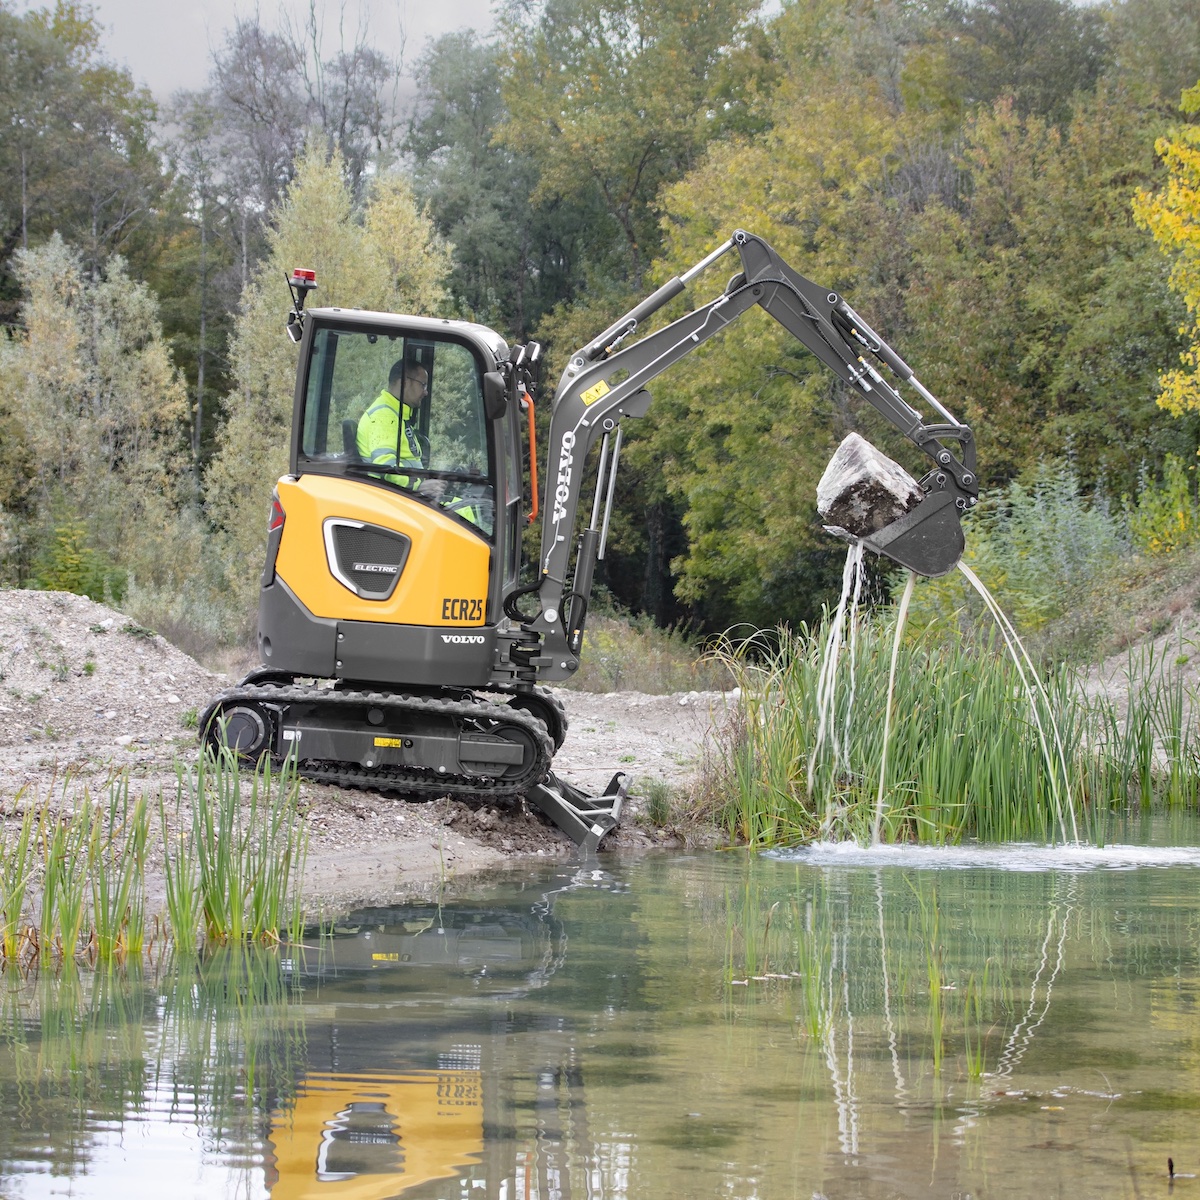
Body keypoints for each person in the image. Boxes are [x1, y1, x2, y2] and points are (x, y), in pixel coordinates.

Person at [356, 358, 428, 487]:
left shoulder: (398, 414)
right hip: (398, 496)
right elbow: (385, 465)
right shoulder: (384, 416)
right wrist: (420, 486)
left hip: (407, 493)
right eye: (422, 385)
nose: (425, 392)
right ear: (405, 383)